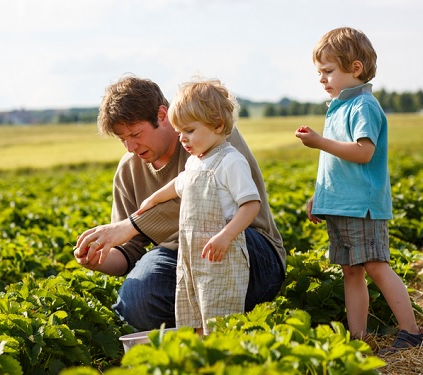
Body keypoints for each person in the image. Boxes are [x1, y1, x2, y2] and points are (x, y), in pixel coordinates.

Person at [73, 75, 286, 332]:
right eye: (122, 139)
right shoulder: (128, 171)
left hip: (245, 244)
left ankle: (230, 328)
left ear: (162, 115)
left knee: (207, 252)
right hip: (181, 259)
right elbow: (128, 252)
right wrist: (98, 259)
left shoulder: (213, 136)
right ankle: (197, 334)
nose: (130, 147)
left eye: (136, 134)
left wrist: (131, 225)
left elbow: (201, 192)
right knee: (136, 299)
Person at [295, 27, 423, 354]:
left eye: (328, 71)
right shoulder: (338, 107)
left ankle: (411, 332)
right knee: (351, 271)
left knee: (375, 265)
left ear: (355, 68)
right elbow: (335, 165)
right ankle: (357, 339)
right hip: (341, 204)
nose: (322, 79)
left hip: (361, 206)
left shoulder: (363, 106)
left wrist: (319, 142)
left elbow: (362, 152)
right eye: (319, 73)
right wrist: (320, 197)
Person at [135, 78, 260, 335]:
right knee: (194, 311)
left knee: (220, 311)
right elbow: (179, 185)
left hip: (221, 255)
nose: (182, 139)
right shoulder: (195, 162)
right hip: (192, 255)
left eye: (189, 131)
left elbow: (250, 204)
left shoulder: (230, 161)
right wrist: (153, 199)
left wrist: (226, 236)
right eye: (179, 132)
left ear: (218, 125)